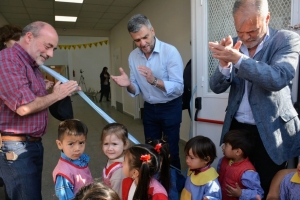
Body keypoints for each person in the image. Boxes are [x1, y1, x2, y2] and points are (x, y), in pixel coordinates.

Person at [208, 0, 300, 196]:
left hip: (271, 131)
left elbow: (278, 78)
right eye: (240, 32)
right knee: (233, 181)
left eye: (252, 31)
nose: (246, 38)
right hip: (238, 129)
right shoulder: (234, 44)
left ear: (267, 18)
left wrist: (239, 60)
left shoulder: (286, 40)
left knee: (267, 186)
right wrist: (224, 65)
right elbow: (215, 87)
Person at [0, 21, 80, 200]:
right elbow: (23, 107)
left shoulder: (32, 66)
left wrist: (62, 90)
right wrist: (57, 95)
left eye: (54, 49)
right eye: (48, 46)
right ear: (29, 37)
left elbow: (37, 100)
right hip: (16, 148)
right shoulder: (7, 59)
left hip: (31, 144)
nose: (51, 54)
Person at [111, 14, 184, 169]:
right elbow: (135, 88)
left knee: (170, 152)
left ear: (152, 30)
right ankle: (154, 187)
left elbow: (179, 87)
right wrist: (128, 84)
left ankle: (174, 190)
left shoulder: (170, 52)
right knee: (150, 152)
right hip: (149, 109)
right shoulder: (133, 56)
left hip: (170, 107)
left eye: (145, 37)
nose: (143, 43)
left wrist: (154, 81)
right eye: (137, 40)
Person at [53, 119, 93, 200]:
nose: (77, 149)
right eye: (71, 144)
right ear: (59, 144)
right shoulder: (63, 173)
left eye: (81, 143)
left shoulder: (80, 160)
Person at [218, 130, 264, 200]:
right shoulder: (223, 160)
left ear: (238, 152)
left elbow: (259, 194)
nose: (223, 147)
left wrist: (241, 194)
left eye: (226, 145)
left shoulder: (247, 172)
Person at [180, 135, 221, 200]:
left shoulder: (211, 180)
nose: (187, 160)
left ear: (206, 159)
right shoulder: (190, 169)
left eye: (191, 158)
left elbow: (215, 196)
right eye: (186, 156)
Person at [101, 122, 130, 198]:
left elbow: (117, 196)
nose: (110, 148)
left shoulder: (120, 171)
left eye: (114, 144)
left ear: (125, 145)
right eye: (106, 144)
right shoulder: (112, 160)